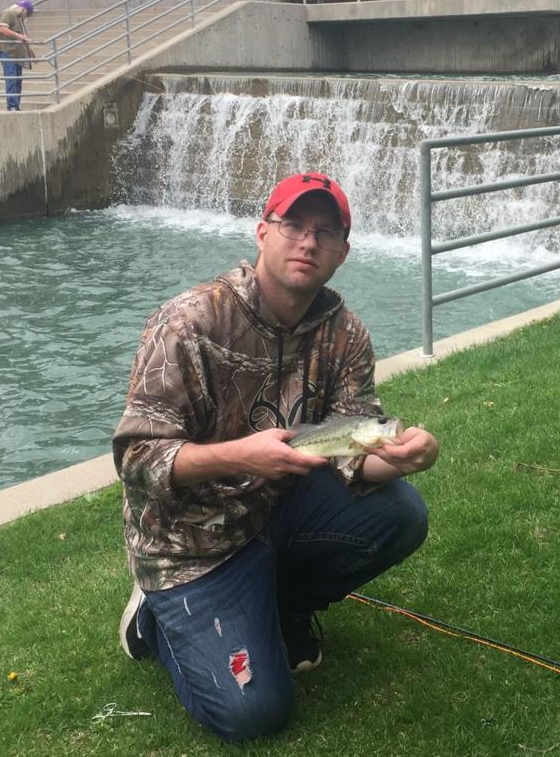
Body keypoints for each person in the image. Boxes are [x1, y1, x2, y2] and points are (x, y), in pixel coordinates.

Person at [112, 172, 439, 742]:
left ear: (342, 252)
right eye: (294, 225)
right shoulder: (189, 322)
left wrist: (402, 459)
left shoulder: (346, 335)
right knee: (253, 713)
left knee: (401, 512)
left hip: (277, 514)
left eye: (325, 232)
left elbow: (349, 455)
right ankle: (151, 620)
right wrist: (241, 457)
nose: (308, 242)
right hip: (191, 546)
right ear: (263, 232)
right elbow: (138, 460)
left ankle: (282, 606)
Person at [0, 0, 34, 111]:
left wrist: (30, 50)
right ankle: (12, 106)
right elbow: (2, 29)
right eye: (27, 14)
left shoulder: (20, 19)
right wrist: (19, 36)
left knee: (18, 80)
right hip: (7, 51)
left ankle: (16, 104)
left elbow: (24, 36)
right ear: (23, 10)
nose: (26, 17)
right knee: (11, 78)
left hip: (17, 53)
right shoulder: (9, 13)